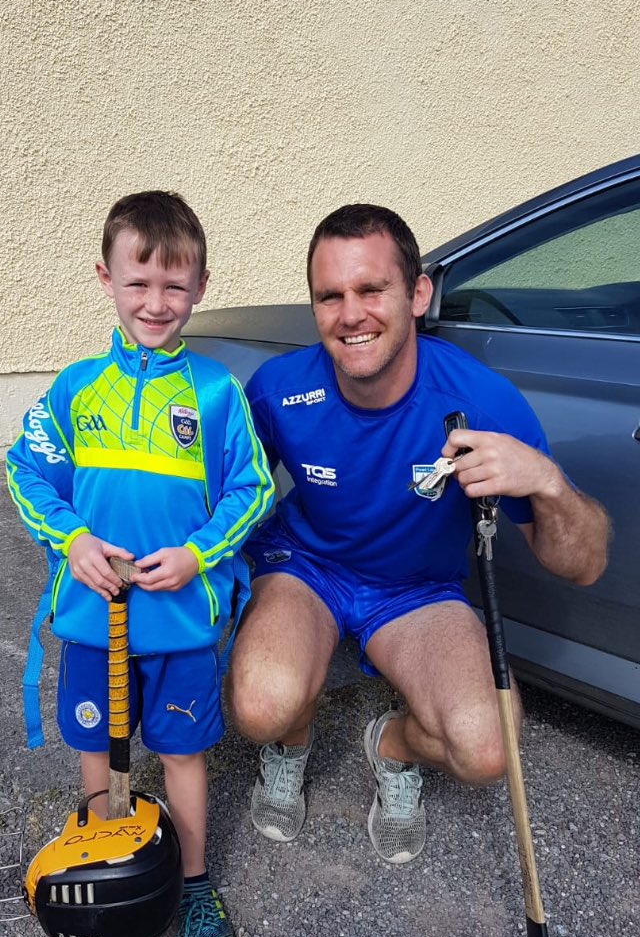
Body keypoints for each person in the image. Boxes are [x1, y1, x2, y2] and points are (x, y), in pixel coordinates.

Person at [227, 203, 610, 866]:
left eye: (372, 289)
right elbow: (229, 496)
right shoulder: (280, 388)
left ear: (418, 293)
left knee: (488, 749)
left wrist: (546, 481)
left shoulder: (480, 401)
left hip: (417, 591)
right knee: (261, 707)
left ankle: (392, 746)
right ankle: (290, 742)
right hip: (307, 568)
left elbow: (584, 564)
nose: (351, 314)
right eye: (330, 296)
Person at [6, 191, 274, 937]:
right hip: (93, 619)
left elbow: (250, 489)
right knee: (99, 742)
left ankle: (192, 883)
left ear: (201, 286)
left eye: (174, 285)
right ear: (105, 276)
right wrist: (74, 538)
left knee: (183, 751)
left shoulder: (217, 394)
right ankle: (107, 847)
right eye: (138, 282)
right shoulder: (74, 387)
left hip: (182, 621)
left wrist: (199, 554)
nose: (156, 303)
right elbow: (26, 472)